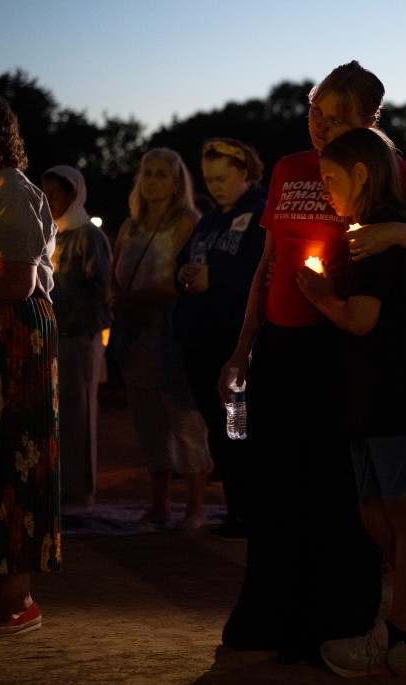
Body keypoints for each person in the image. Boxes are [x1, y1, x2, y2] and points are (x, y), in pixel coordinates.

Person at [218, 61, 406, 661]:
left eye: (337, 116)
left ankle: (343, 618)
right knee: (275, 488)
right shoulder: (289, 169)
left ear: (368, 121)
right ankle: (269, 613)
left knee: (344, 498)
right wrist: (243, 347)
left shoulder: (382, 169)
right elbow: (268, 264)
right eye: (315, 112)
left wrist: (388, 237)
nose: (320, 126)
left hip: (340, 348)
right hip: (280, 343)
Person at [296, 127, 406, 676]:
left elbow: (361, 318)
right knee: (378, 513)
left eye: (331, 178)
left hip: (400, 387)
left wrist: (319, 294)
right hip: (375, 390)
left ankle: (397, 636)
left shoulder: (378, 237)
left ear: (362, 174)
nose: (326, 190)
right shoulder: (374, 235)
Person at [0, 90, 60, 637]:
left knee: (16, 458)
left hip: (15, 340)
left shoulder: (10, 193)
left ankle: (19, 597)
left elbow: (15, 281)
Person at [111, 149, 211, 530]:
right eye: (146, 173)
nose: (151, 180)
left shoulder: (188, 221)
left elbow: (183, 279)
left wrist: (137, 299)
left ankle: (196, 506)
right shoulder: (130, 225)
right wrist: (117, 298)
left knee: (185, 421)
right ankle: (160, 504)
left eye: (161, 174)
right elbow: (117, 276)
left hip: (172, 335)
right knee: (148, 423)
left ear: (176, 183)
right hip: (136, 338)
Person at [173, 138, 266, 539]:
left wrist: (218, 277)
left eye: (223, 177)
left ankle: (250, 512)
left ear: (244, 171)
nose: (215, 186)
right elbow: (185, 258)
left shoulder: (261, 213)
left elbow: (263, 272)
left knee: (239, 427)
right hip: (202, 342)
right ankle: (236, 510)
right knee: (219, 427)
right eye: (209, 179)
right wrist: (185, 273)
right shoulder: (210, 219)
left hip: (235, 344)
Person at [41, 165, 112, 508]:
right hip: (54, 334)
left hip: (80, 335)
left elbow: (100, 287)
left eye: (54, 194)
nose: (48, 200)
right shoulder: (49, 234)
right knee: (58, 414)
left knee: (79, 411)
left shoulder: (88, 235)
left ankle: (80, 492)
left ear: (72, 195)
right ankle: (59, 488)